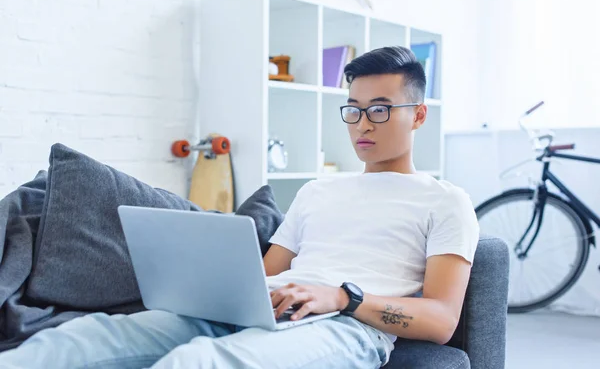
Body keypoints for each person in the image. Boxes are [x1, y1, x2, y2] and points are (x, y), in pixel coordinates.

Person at [0, 46, 479, 369]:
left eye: (379, 109)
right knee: (78, 342)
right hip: (263, 307)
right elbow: (265, 273)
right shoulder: (318, 191)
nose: (361, 124)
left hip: (348, 327)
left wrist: (343, 297)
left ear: (417, 115)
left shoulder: (445, 201)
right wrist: (208, 286)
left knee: (197, 363)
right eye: (352, 109)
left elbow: (441, 320)